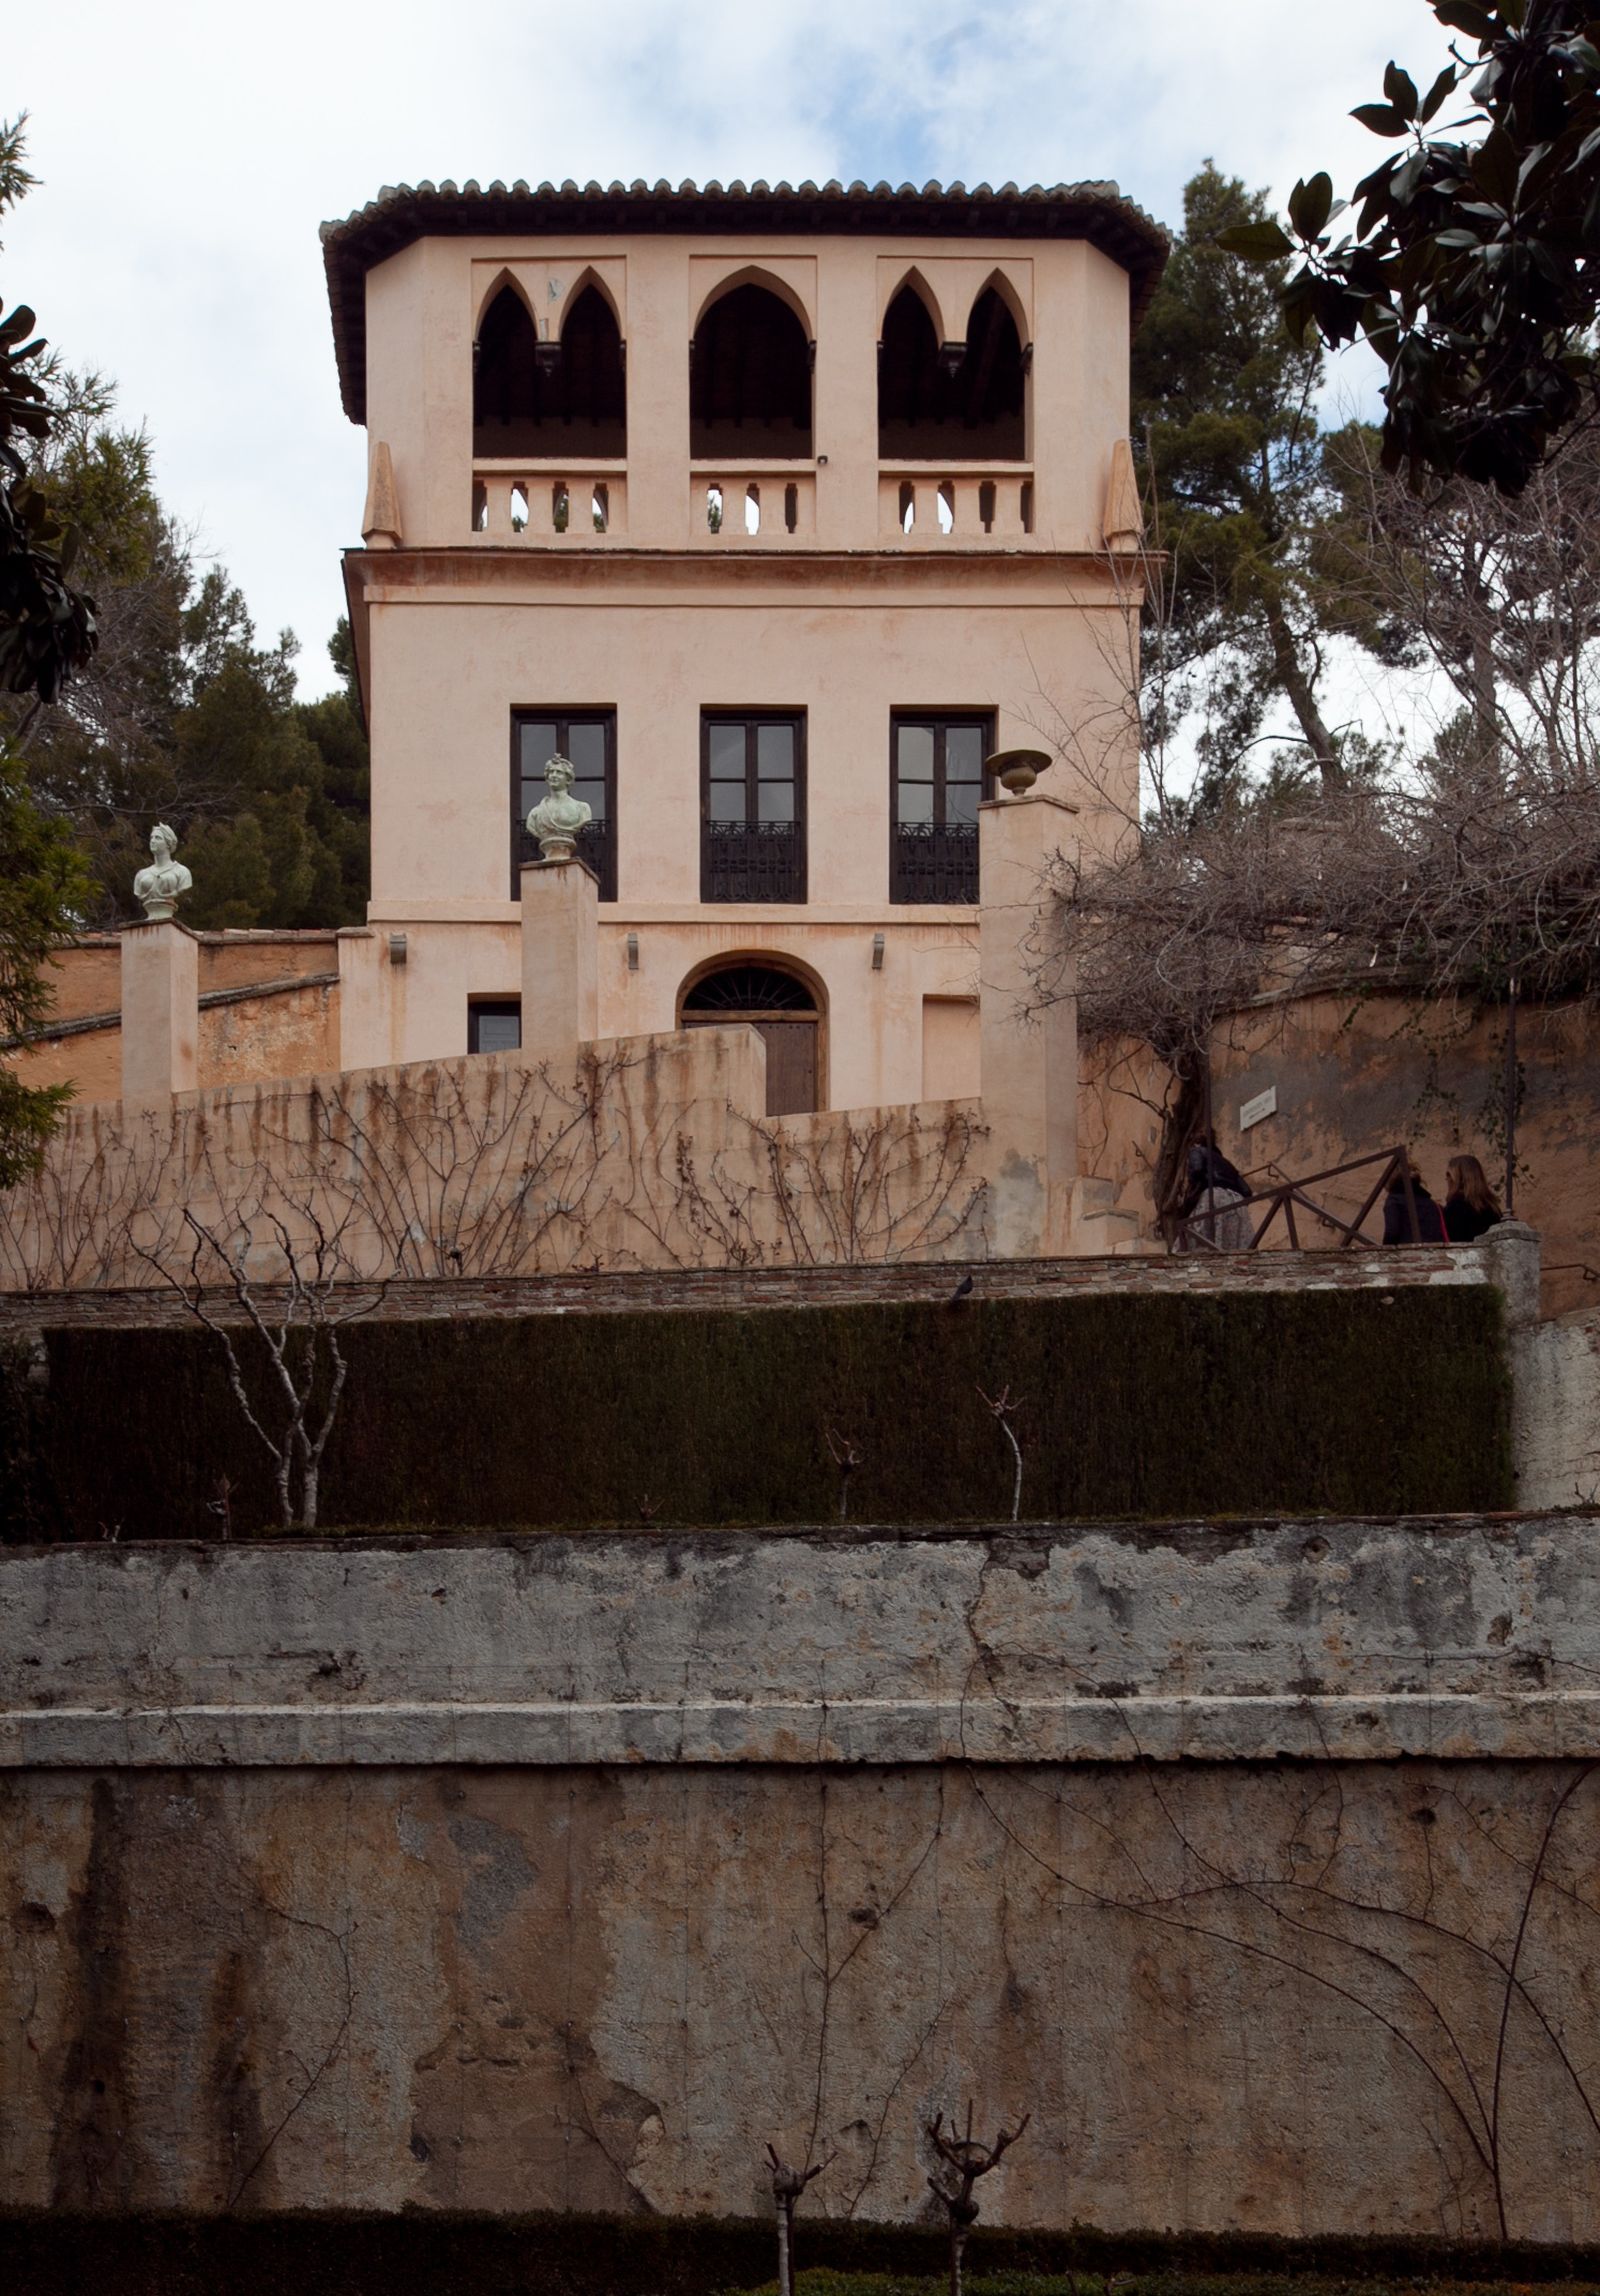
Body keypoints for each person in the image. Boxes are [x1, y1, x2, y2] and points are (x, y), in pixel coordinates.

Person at [1178, 1141, 1254, 1251]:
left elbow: (1197, 1169)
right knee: (1234, 1243)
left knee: (1198, 1235)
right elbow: (1247, 1191)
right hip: (1237, 1201)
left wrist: (1193, 1184)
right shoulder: (1227, 1163)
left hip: (1214, 1196)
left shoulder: (1197, 1150)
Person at [1382, 1155, 1446, 1244]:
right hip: (1434, 1251)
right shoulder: (1432, 1204)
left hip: (1407, 1251)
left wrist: (1384, 1250)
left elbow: (1392, 1232)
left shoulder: (1394, 1200)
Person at [1443, 1153, 1504, 1242]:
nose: (1447, 1180)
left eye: (1449, 1175)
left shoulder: (1455, 1207)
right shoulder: (1493, 1208)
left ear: (1457, 1179)